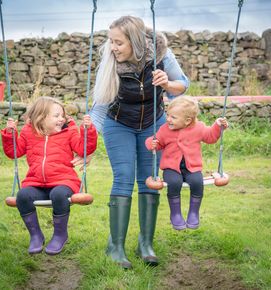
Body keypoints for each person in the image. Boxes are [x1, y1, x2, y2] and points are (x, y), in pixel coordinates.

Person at [90, 16, 189, 269]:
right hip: (118, 122)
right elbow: (100, 108)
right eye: (111, 41)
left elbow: (182, 86)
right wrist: (86, 144)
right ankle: (116, 247)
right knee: (123, 177)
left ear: (135, 41)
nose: (113, 47)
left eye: (118, 42)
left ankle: (145, 244)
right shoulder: (110, 61)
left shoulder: (161, 54)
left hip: (152, 124)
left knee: (149, 179)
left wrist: (167, 82)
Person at [1, 96, 97, 255]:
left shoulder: (69, 131)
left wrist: (88, 130)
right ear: (41, 117)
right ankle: (36, 235)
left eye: (62, 115)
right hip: (36, 182)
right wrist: (9, 134)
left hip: (64, 182)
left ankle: (60, 235)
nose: (62, 119)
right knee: (23, 195)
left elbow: (84, 149)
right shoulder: (28, 133)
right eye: (56, 116)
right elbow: (13, 152)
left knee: (58, 194)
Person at [145, 96, 228, 231]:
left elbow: (210, 137)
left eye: (173, 117)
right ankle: (175, 214)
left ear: (187, 120)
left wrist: (218, 126)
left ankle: (193, 213)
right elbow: (157, 142)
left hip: (192, 167)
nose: (168, 119)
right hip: (171, 168)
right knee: (174, 182)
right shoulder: (165, 129)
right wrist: (151, 143)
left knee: (197, 182)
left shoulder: (198, 128)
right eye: (168, 115)